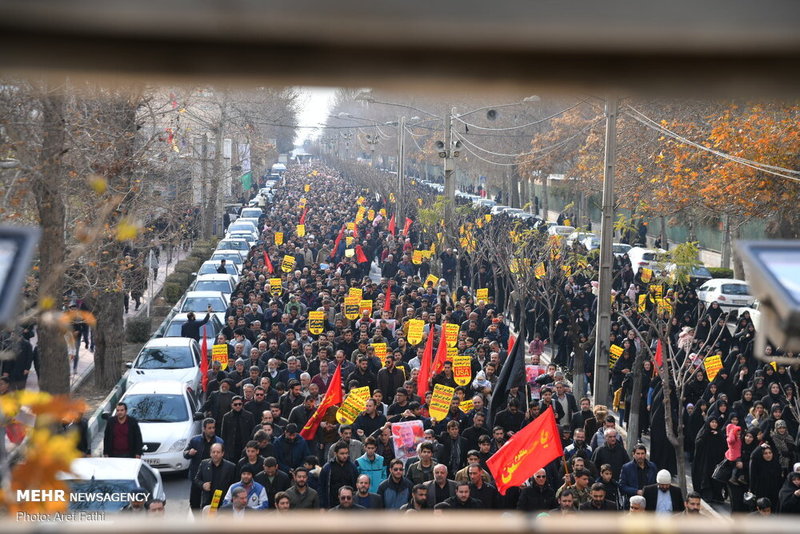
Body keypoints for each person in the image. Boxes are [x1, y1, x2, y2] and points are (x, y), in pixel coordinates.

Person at [184, 418, 224, 509]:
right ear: (204, 429)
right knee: (194, 502)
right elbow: (185, 454)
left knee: (214, 503)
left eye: (213, 428)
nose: (212, 430)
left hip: (214, 476)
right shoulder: (195, 440)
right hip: (197, 476)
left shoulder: (219, 442)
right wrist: (189, 453)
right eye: (209, 428)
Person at [194, 443, 237, 508]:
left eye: (218, 452)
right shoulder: (204, 464)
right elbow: (196, 479)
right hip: (208, 502)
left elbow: (234, 484)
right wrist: (203, 485)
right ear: (210, 453)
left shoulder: (231, 467)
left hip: (224, 503)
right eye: (213, 452)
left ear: (222, 453)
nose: (215, 454)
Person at [320, 440, 360, 508]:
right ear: (335, 454)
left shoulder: (352, 467)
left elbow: (356, 487)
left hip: (349, 504)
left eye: (346, 453)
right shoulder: (328, 468)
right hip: (332, 504)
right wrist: (322, 506)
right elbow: (321, 488)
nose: (345, 456)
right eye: (342, 453)